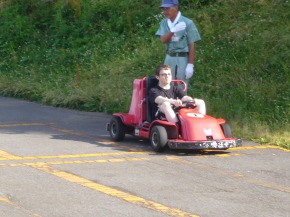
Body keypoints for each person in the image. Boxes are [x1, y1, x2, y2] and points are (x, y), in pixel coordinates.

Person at [156, 0, 201, 85]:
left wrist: (190, 64)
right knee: (166, 84)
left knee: (181, 85)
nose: (165, 12)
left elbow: (191, 44)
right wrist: (173, 30)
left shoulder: (187, 22)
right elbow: (163, 40)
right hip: (169, 56)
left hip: (183, 57)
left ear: (176, 7)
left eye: (168, 9)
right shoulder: (164, 23)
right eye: (163, 9)